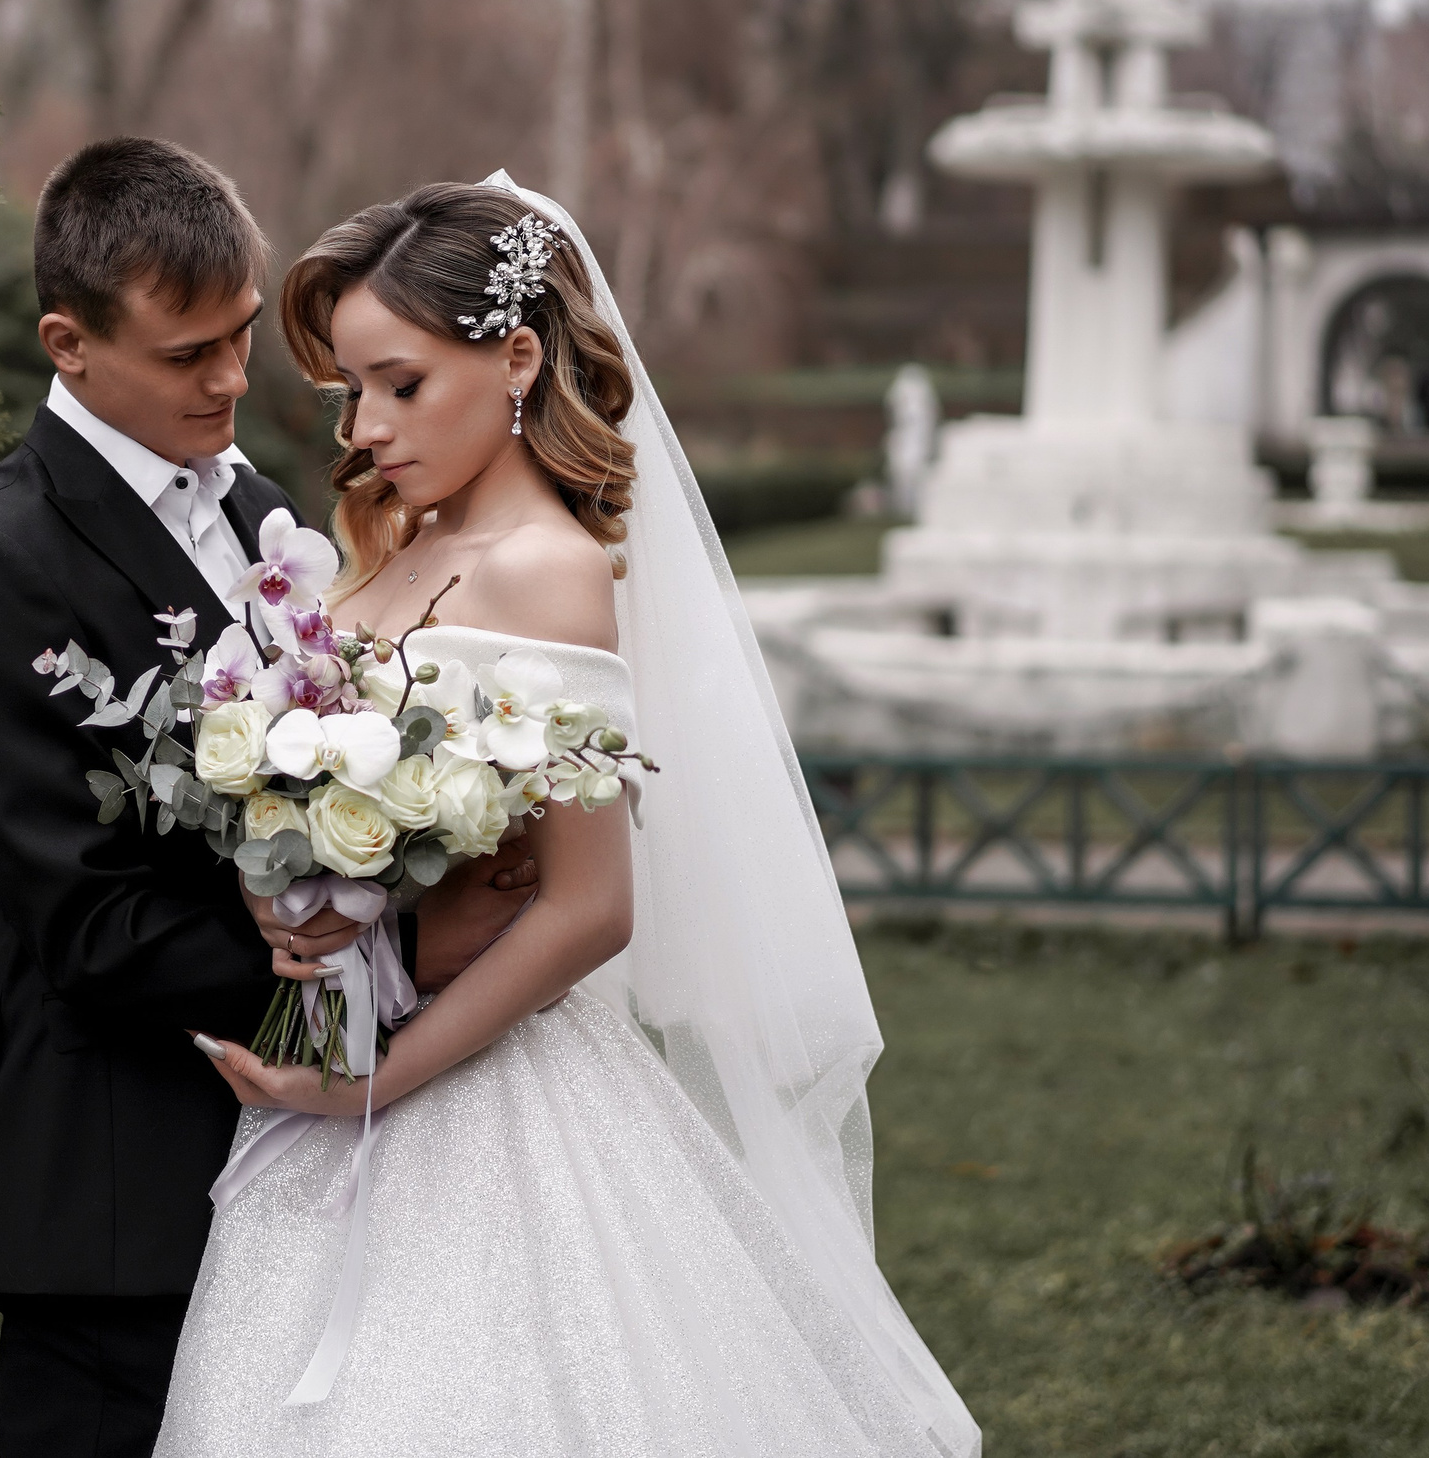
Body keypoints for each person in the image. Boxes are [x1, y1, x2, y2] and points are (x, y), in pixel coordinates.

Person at [155, 178, 979, 1457]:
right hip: (331, 1054)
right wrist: (285, 876)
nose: (367, 427)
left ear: (518, 358)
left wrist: (373, 1080)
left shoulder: (547, 568)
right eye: (351, 394)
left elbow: (590, 906)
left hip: (478, 1099)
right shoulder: (398, 545)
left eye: (401, 384)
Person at [0, 139, 535, 1458]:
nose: (235, 378)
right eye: (191, 354)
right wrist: (391, 952)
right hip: (118, 1196)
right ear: (69, 344)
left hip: (300, 1169)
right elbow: (84, 925)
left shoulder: (255, 504)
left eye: (243, 335)